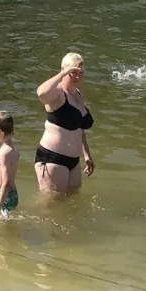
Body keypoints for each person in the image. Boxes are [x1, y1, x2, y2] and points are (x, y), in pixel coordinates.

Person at [35, 53, 95, 194]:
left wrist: (87, 156)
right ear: (63, 70)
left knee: (72, 200)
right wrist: (63, 74)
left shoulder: (77, 93)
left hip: (73, 160)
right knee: (50, 205)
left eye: (81, 73)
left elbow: (79, 128)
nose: (77, 77)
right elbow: (41, 93)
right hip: (52, 158)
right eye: (73, 72)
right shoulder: (57, 93)